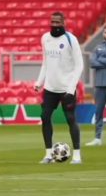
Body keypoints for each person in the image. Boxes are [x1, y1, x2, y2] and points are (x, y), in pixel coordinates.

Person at [35, 12, 84, 164]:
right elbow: (46, 62)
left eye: (58, 22)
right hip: (50, 87)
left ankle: (76, 155)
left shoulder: (71, 39)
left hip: (66, 88)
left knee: (70, 119)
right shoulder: (45, 38)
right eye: (52, 22)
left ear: (64, 22)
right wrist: (39, 82)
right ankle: (48, 154)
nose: (55, 25)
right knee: (45, 117)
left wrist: (71, 88)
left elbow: (79, 65)